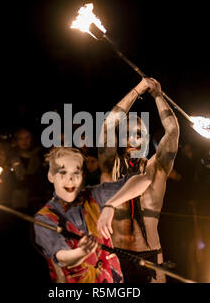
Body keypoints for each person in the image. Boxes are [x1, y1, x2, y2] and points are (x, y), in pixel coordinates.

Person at [98, 77, 179, 283]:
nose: (134, 139)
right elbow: (107, 126)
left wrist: (158, 96)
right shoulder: (111, 166)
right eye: (128, 134)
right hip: (115, 255)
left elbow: (173, 131)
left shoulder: (156, 167)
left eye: (139, 134)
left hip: (151, 256)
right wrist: (137, 90)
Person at [33, 147, 152, 283]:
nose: (70, 179)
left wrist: (110, 205)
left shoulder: (95, 195)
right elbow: (62, 257)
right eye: (63, 173)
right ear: (51, 176)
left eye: (76, 172)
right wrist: (82, 252)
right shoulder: (44, 218)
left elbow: (145, 180)